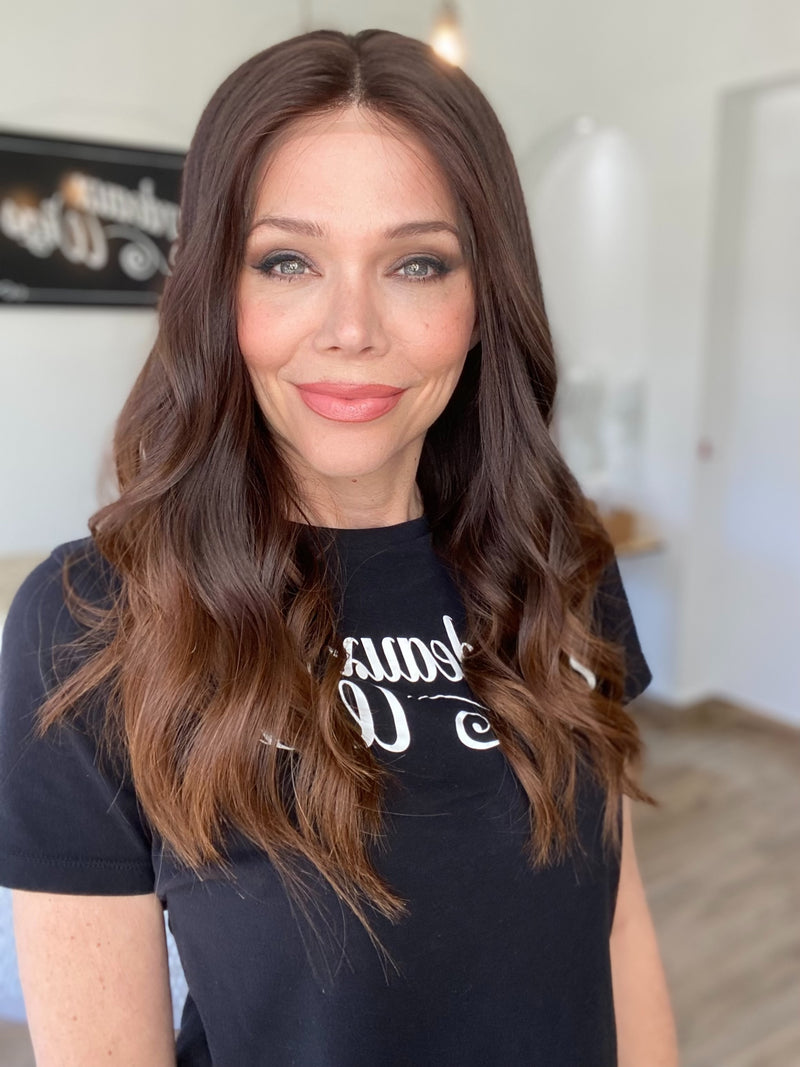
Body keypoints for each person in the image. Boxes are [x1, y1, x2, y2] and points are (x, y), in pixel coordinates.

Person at [0, 27, 679, 1067]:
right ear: (216, 295)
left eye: (415, 263)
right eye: (287, 261)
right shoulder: (89, 623)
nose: (350, 327)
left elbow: (615, 923)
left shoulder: (557, 562)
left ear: (481, 301)